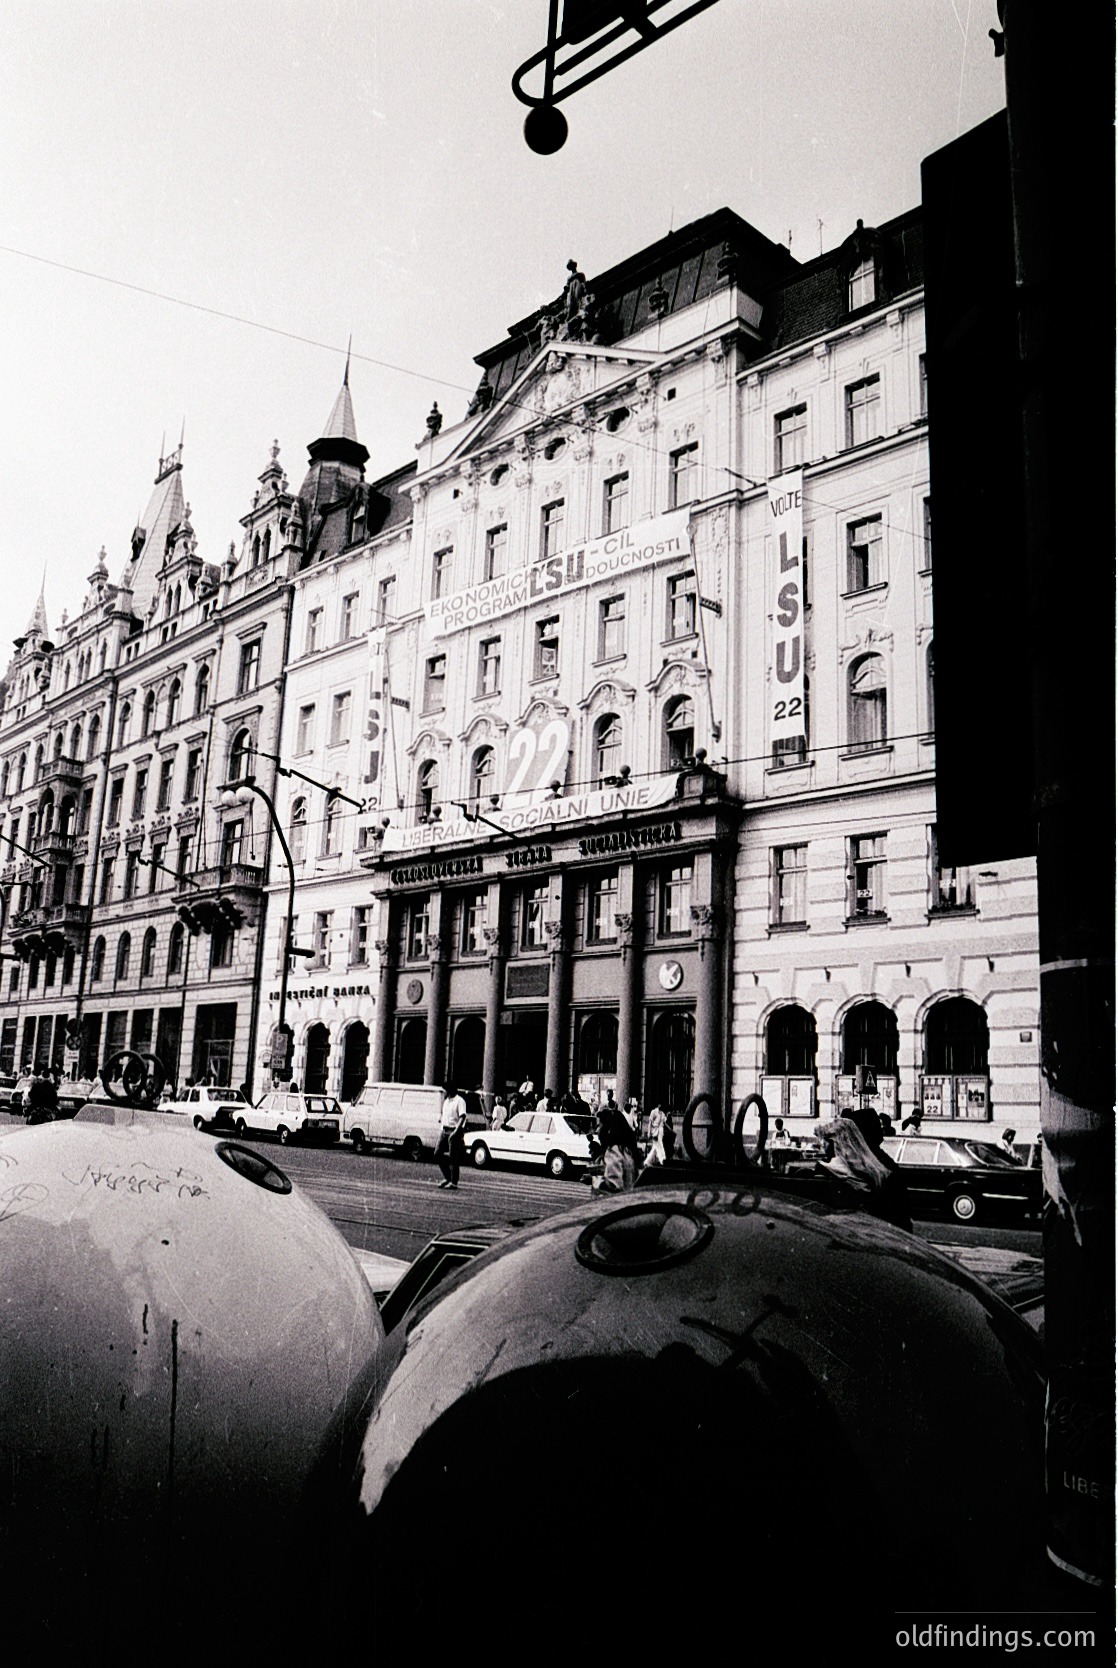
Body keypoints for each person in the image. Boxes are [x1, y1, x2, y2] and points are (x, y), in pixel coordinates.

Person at [592, 1099, 640, 1194]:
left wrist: (595, 1181)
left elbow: (613, 1185)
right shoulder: (626, 1150)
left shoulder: (613, 1151)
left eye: (601, 1125)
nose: (598, 1129)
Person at [435, 1084, 468, 1190]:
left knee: (453, 1157)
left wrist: (456, 1132)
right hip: (444, 1129)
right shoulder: (446, 1102)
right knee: (437, 1153)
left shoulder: (459, 1101)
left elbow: (462, 1117)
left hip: (454, 1130)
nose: (444, 1093)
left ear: (449, 1090)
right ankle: (447, 1177)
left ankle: (454, 1182)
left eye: (445, 1091)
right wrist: (441, 1130)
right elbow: (444, 1116)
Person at [642, 1104, 668, 1171]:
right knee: (660, 1146)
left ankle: (646, 1162)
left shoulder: (662, 1113)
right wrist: (649, 1133)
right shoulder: (653, 1112)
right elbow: (650, 1123)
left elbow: (664, 1123)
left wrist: (670, 1129)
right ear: (658, 1105)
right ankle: (663, 1160)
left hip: (660, 1131)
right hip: (655, 1131)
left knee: (655, 1148)